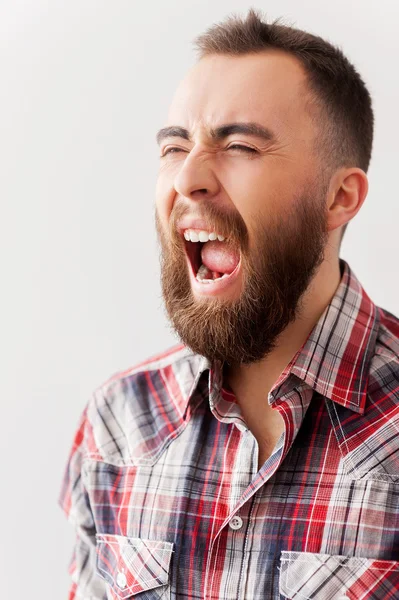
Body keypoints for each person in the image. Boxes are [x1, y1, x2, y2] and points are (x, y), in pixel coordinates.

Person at [58, 8, 399, 599]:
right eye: (174, 147)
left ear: (340, 196)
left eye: (239, 145)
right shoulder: (116, 422)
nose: (188, 178)